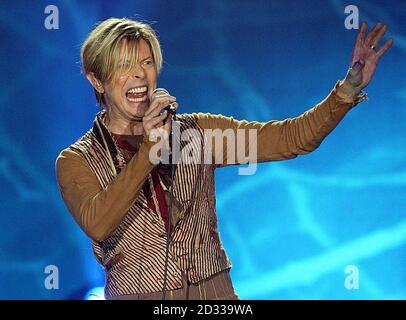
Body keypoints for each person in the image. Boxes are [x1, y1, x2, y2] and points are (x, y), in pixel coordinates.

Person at [55, 17, 393, 300]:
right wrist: (148, 151)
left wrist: (347, 89)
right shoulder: (77, 160)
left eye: (146, 63)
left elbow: (292, 138)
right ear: (96, 79)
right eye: (124, 66)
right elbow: (98, 222)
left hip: (213, 294)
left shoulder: (198, 134)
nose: (140, 76)